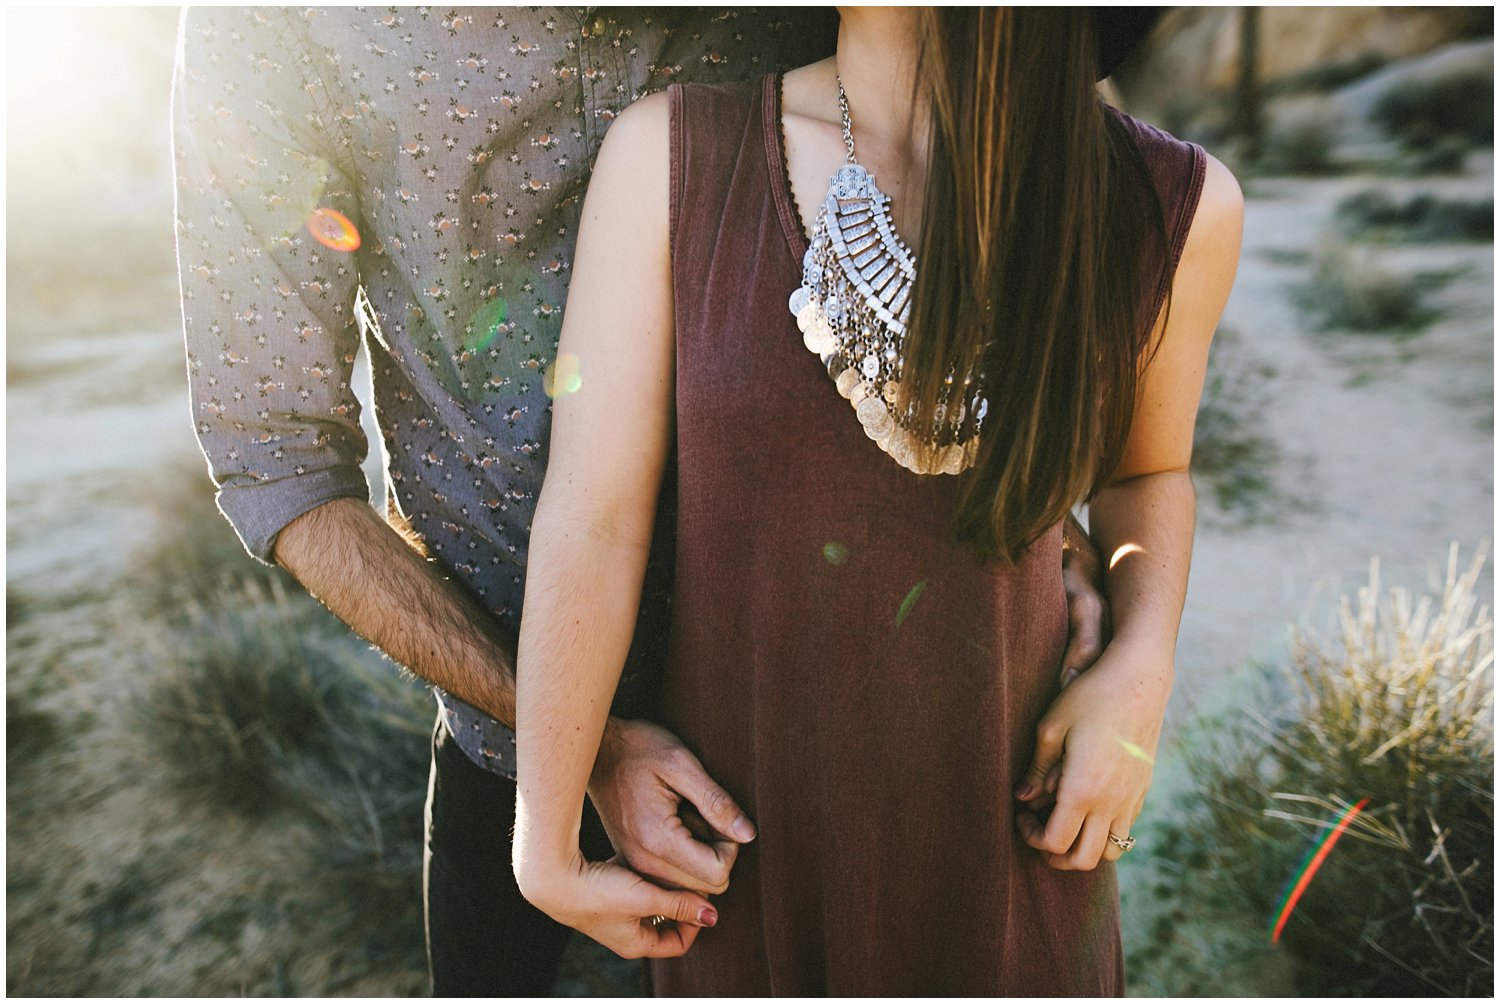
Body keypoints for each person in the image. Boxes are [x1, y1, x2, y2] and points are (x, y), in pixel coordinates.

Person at [172, 7, 1115, 995]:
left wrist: (1054, 530)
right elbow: (278, 465)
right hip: (532, 791)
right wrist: (579, 740)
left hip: (864, 720)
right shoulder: (268, 25)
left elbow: (970, 201)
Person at [512, 6, 1243, 996]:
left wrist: (1141, 660)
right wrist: (545, 833)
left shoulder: (1169, 203)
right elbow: (594, 513)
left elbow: (1145, 475)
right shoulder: (671, 155)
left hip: (1009, 853)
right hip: (743, 855)